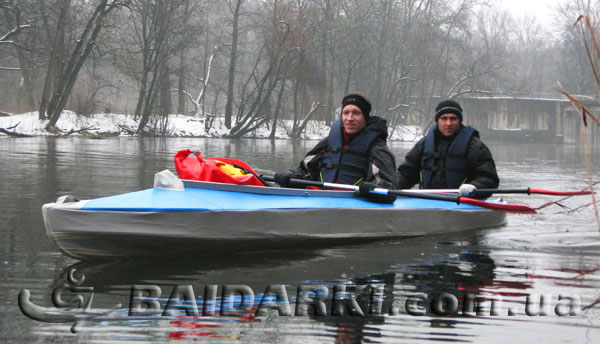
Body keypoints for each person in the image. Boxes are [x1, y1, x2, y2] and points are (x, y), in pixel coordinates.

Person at [274, 92, 398, 203]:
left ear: (365, 118)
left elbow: (389, 189)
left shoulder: (377, 148)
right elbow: (305, 170)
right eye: (346, 113)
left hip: (352, 203)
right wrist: (291, 177)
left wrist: (375, 188)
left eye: (356, 113)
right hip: (319, 198)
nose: (349, 118)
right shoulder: (329, 142)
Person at [396, 99, 499, 198]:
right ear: (438, 121)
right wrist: (391, 185)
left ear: (459, 121)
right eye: (444, 118)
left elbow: (489, 178)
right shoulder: (423, 145)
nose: (448, 123)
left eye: (453, 118)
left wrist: (475, 186)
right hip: (428, 203)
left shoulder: (475, 146)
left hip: (463, 203)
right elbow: (406, 173)